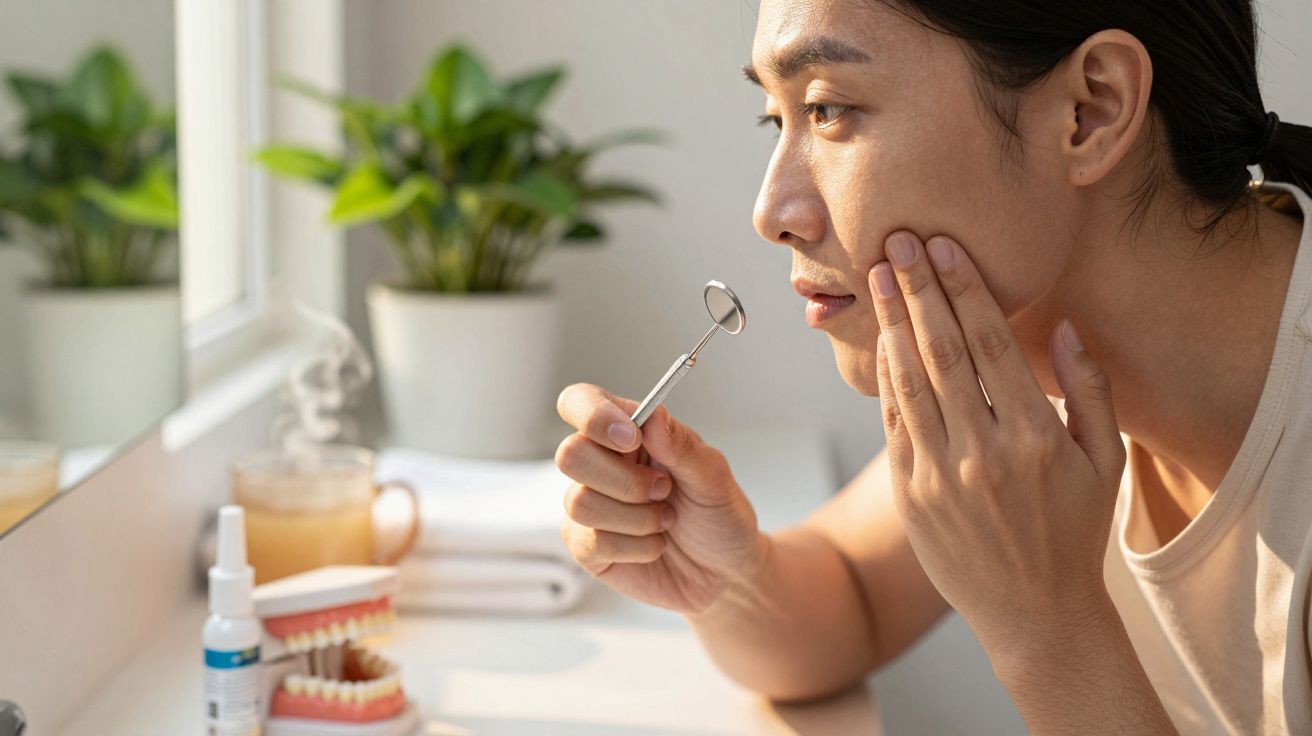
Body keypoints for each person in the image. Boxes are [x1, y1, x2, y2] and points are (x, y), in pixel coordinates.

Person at [553, 0, 1312, 732]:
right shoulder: (1044, 362)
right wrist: (726, 578)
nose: (772, 210)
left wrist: (1049, 629)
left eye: (827, 110)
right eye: (775, 119)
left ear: (1092, 109)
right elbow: (851, 597)